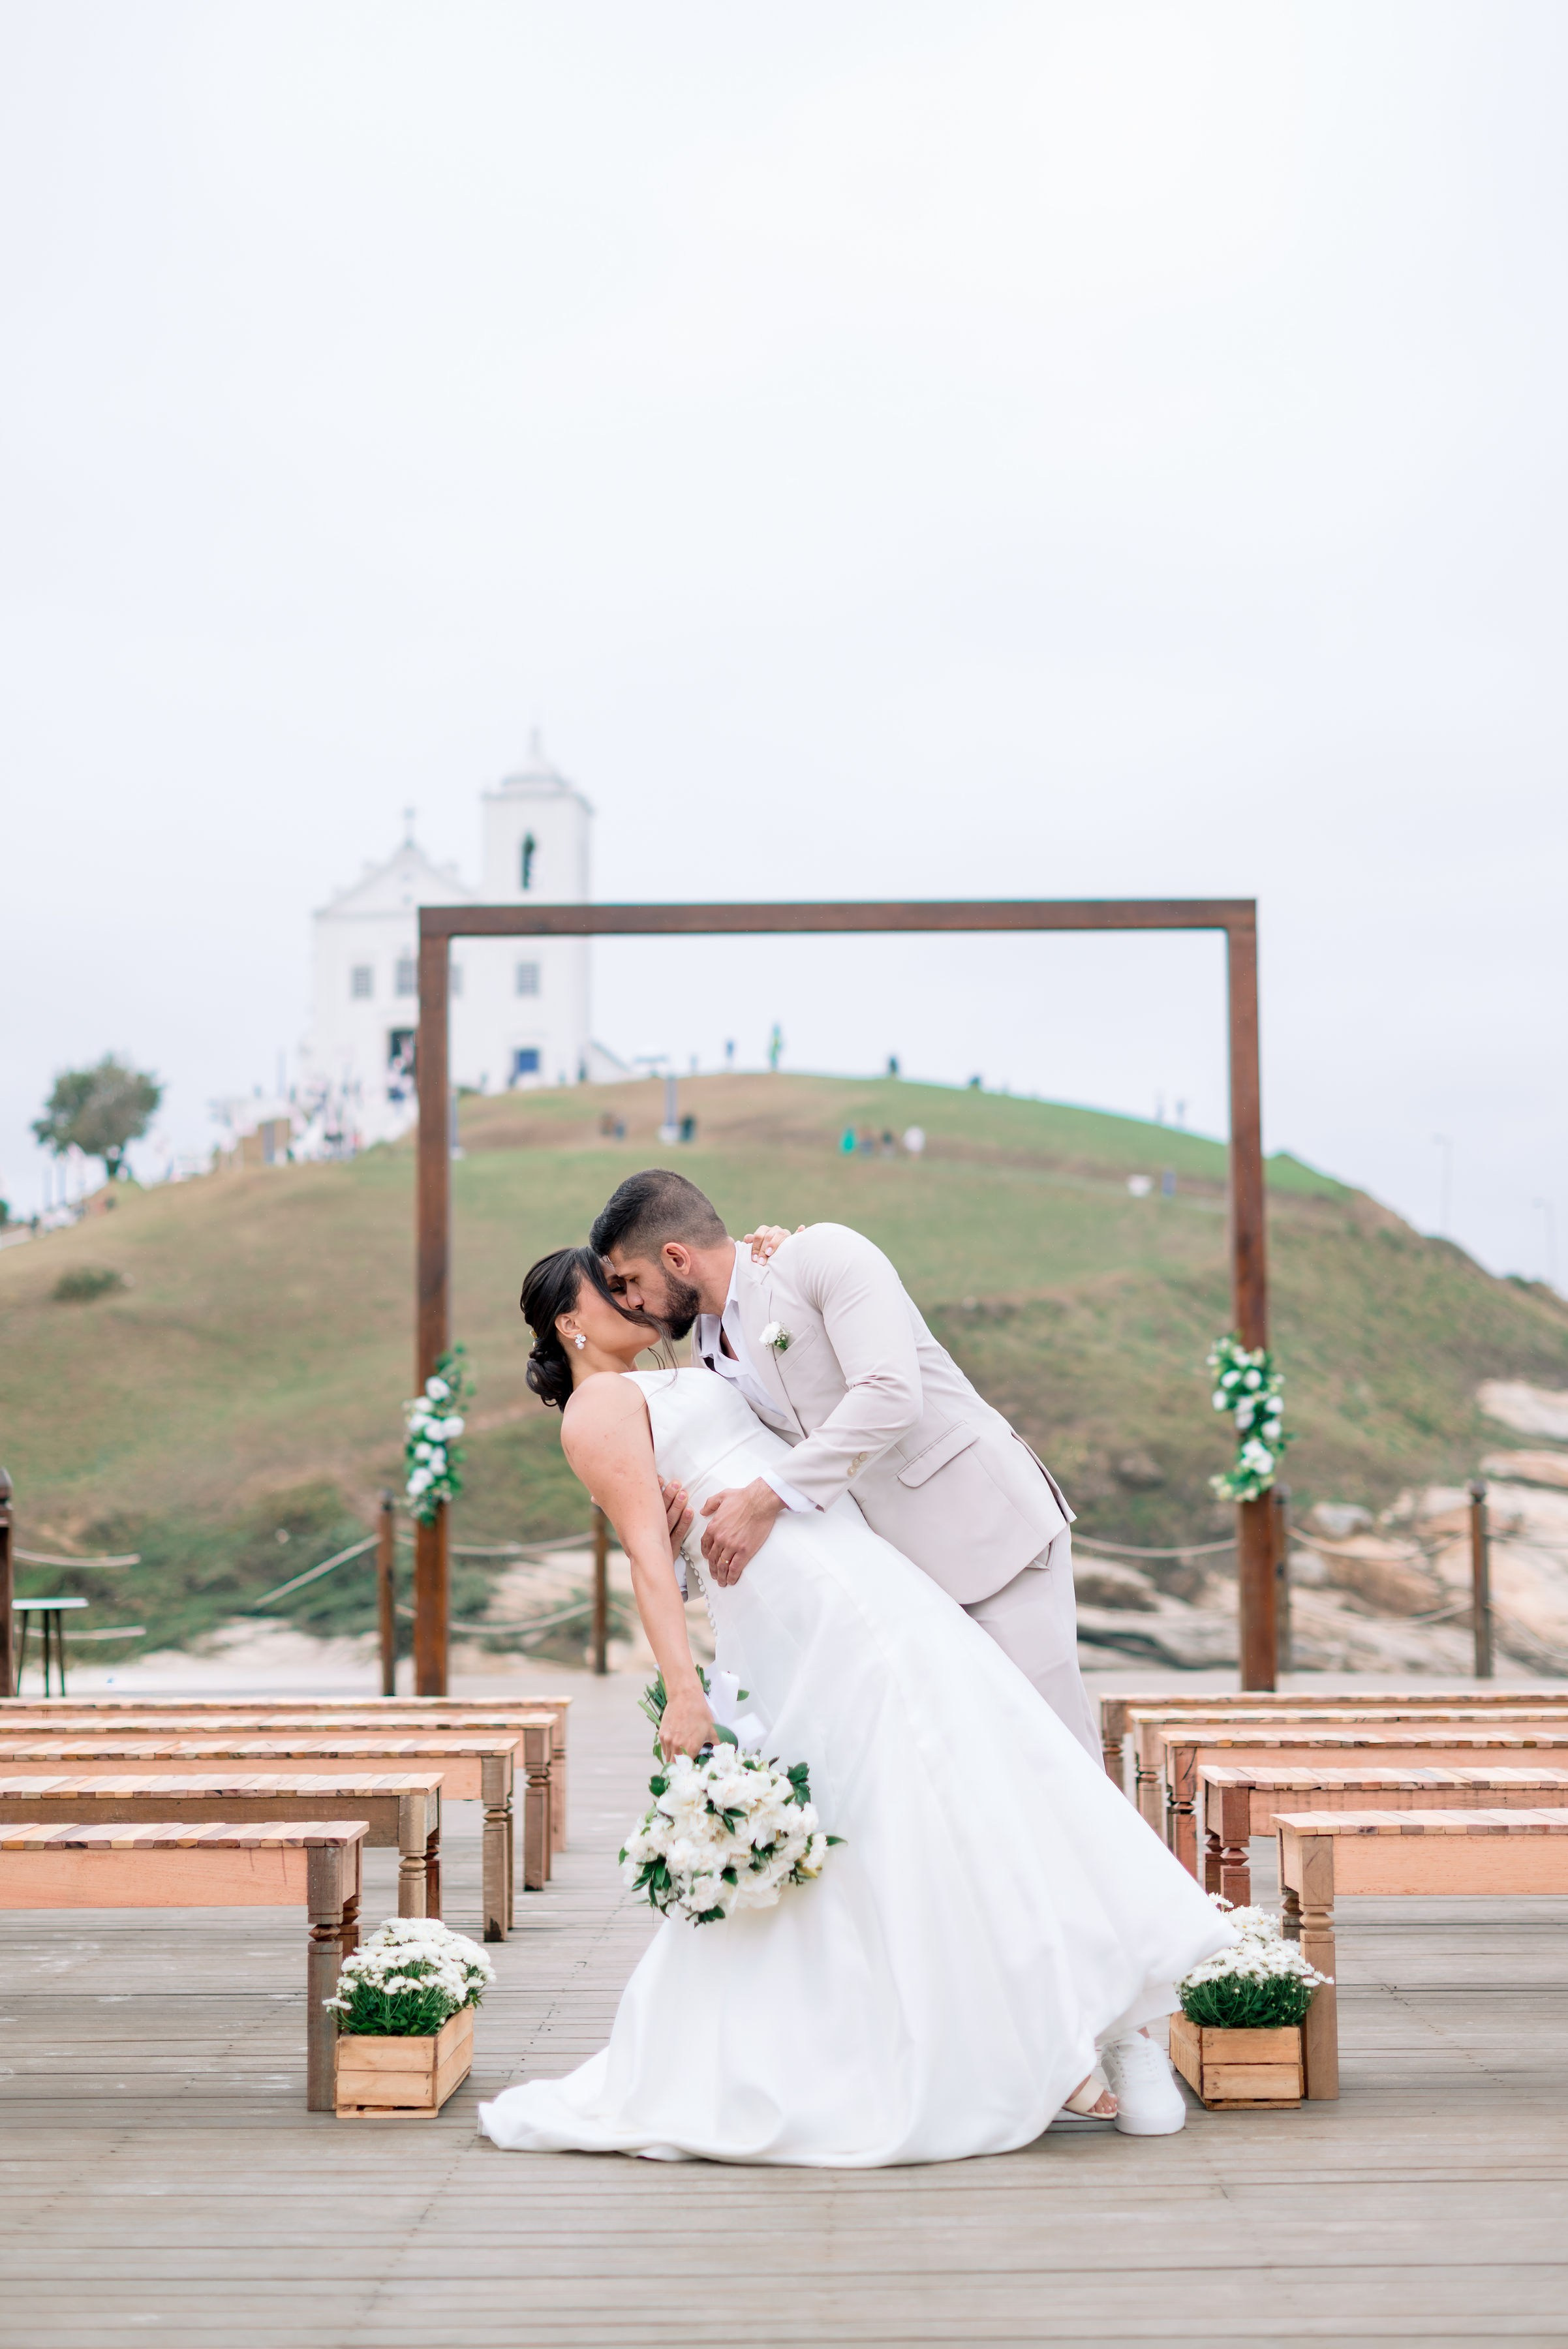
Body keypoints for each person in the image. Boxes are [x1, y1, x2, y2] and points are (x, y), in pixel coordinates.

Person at [475, 1248, 1233, 2166]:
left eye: (632, 1278)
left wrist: (763, 1254)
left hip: (853, 1562)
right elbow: (647, 1559)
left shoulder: (692, 1364)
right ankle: (1042, 2027)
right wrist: (684, 1690)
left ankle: (1051, 2015)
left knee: (932, 1785)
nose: (635, 1298)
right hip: (800, 1598)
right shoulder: (598, 1407)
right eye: (613, 1289)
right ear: (570, 1320)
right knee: (919, 1784)